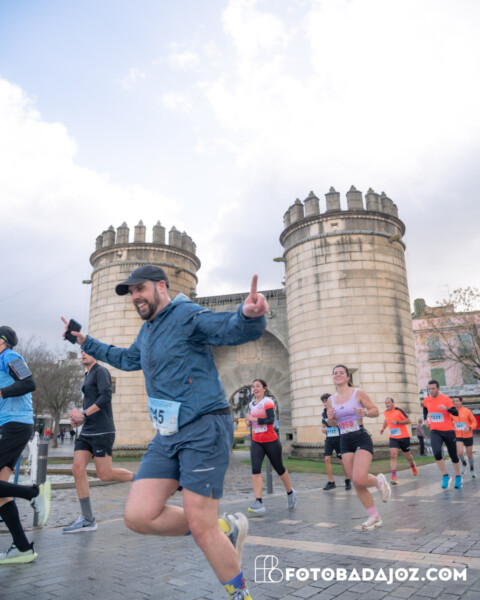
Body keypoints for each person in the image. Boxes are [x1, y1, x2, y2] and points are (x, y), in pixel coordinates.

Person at [62, 266, 268, 600]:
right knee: (138, 516)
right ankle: (224, 528)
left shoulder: (186, 314)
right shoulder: (148, 331)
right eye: (131, 292)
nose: (135, 297)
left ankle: (239, 593)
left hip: (204, 427)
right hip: (167, 434)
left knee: (200, 526)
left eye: (140, 288)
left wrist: (249, 316)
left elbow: (226, 328)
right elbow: (126, 359)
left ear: (161, 286)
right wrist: (85, 341)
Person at [63, 350, 135, 533]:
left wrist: (84, 414)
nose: (83, 354)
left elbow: (105, 397)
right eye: (81, 351)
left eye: (87, 351)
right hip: (87, 431)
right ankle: (88, 519)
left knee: (105, 474)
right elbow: (89, 404)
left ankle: (140, 478)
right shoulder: (87, 375)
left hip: (103, 430)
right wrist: (79, 419)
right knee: (77, 469)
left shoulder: (101, 371)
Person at [0, 326, 51, 565]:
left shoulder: (10, 356)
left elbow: (29, 383)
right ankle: (22, 548)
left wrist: (1, 393)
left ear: (2, 341)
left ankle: (34, 493)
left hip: (16, 425)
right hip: (10, 425)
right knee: (1, 495)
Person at [326, 365, 391, 530]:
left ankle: (379, 482)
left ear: (348, 377)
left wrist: (365, 413)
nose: (338, 375)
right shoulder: (330, 400)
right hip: (344, 439)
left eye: (341, 372)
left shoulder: (358, 393)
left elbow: (375, 410)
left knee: (359, 478)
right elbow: (332, 423)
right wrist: (330, 418)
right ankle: (374, 516)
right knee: (356, 481)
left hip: (360, 436)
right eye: (335, 373)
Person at [244, 379, 296, 513]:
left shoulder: (268, 402)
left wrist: (254, 419)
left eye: (258, 386)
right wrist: (249, 423)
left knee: (279, 469)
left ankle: (290, 492)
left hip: (271, 441)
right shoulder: (251, 404)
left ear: (264, 388)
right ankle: (258, 502)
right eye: (253, 387)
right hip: (256, 441)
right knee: (255, 469)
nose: (255, 389)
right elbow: (253, 422)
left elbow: (270, 420)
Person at [423, 380, 461, 489]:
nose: (431, 391)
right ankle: (445, 476)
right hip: (435, 431)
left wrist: (446, 409)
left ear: (438, 389)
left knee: (453, 455)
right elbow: (425, 408)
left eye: (433, 388)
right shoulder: (427, 399)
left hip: (448, 431)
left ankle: (458, 476)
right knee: (437, 453)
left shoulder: (446, 399)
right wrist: (425, 419)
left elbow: (456, 412)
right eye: (429, 389)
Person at [379, 397, 418, 484]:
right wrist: (383, 428)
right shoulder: (386, 412)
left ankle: (412, 465)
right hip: (393, 437)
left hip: (404, 437)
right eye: (386, 403)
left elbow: (409, 421)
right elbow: (386, 420)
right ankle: (393, 475)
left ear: (393, 403)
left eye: (388, 403)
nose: (387, 405)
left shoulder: (399, 410)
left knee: (408, 456)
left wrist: (397, 422)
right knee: (393, 455)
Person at [320, 393, 351, 491]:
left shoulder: (336, 410)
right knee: (327, 459)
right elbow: (323, 425)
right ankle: (331, 482)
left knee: (342, 460)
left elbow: (341, 423)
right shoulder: (323, 412)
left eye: (326, 401)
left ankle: (347, 479)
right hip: (329, 439)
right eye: (323, 402)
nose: (325, 403)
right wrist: (323, 429)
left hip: (339, 438)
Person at [452, 396, 477, 478]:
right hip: (458, 435)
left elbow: (474, 422)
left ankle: (472, 469)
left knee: (469, 454)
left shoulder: (467, 411)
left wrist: (469, 428)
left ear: (461, 402)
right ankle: (464, 463)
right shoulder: (452, 412)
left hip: (468, 435)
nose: (455, 402)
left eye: (457, 401)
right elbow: (448, 422)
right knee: (459, 453)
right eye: (454, 401)